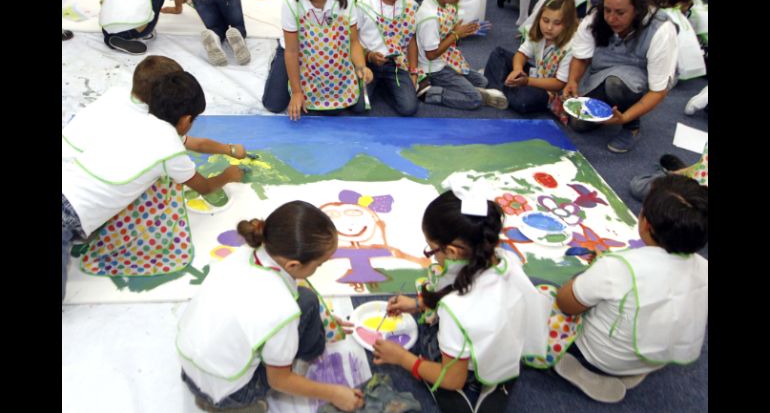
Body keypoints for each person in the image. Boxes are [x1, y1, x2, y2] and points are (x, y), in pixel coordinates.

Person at [61, 71, 244, 301]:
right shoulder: (170, 150)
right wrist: (228, 175)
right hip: (69, 215)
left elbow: (196, 143)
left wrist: (229, 149)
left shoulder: (140, 118)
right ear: (187, 119)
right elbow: (205, 187)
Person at [372, 186, 551, 413]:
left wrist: (402, 358)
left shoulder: (454, 309)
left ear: (453, 252)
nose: (431, 254)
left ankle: (474, 385)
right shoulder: (506, 259)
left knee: (428, 340)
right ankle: (498, 378)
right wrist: (418, 304)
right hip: (505, 344)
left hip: (466, 364)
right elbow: (457, 286)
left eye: (432, 249)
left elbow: (452, 380)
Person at [177, 201, 365, 412]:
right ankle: (231, 407)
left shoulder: (244, 253)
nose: (320, 268)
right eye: (319, 264)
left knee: (307, 300)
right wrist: (335, 393)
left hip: (190, 364)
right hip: (229, 391)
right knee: (306, 302)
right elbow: (280, 381)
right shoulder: (282, 309)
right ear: (293, 265)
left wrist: (323, 321)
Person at [555, 174, 707, 402]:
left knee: (544, 299)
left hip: (602, 358)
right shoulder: (704, 267)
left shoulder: (616, 268)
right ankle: (631, 368)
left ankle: (587, 372)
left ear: (645, 223)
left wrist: (585, 277)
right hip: (658, 357)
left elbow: (566, 304)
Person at [562, 0, 678, 153]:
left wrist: (625, 118)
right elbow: (581, 57)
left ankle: (632, 126)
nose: (611, 18)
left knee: (615, 84)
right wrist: (573, 81)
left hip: (637, 79)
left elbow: (658, 91)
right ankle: (611, 109)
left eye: (620, 13)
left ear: (638, 9)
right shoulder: (595, 18)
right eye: (607, 10)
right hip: (602, 72)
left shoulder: (661, 30)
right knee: (578, 124)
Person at [62, 55, 249, 162]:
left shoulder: (116, 92)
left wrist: (229, 149)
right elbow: (188, 145)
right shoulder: (153, 124)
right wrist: (229, 151)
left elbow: (192, 142)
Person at [281, 0, 373, 121]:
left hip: (336, 65)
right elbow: (291, 51)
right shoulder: (291, 3)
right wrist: (297, 91)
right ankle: (276, 65)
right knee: (274, 103)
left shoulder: (346, 0)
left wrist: (361, 66)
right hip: (302, 58)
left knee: (359, 107)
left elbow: (353, 42)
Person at [415, 0, 507, 110]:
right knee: (474, 99)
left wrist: (460, 31)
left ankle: (461, 88)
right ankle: (429, 93)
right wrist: (456, 35)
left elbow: (444, 33)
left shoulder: (443, 2)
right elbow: (431, 55)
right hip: (434, 69)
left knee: (482, 82)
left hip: (447, 60)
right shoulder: (430, 17)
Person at [484, 0, 578, 121]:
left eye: (557, 23)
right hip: (535, 76)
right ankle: (502, 89)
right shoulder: (538, 33)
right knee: (498, 54)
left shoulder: (571, 47)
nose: (549, 28)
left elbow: (559, 84)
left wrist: (527, 81)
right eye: (545, 21)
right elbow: (521, 54)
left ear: (567, 24)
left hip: (549, 91)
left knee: (524, 102)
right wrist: (517, 69)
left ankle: (496, 87)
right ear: (539, 18)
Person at [356, 0, 420, 116]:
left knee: (409, 108)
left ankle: (384, 87)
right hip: (366, 62)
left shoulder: (410, 5)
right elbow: (351, 40)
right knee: (358, 106)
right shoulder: (362, 3)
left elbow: (411, 39)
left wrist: (413, 71)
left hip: (395, 64)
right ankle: (377, 84)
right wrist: (368, 56)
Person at [646, 0, 706, 80]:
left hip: (676, 70)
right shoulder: (676, 14)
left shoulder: (663, 15)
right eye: (688, 5)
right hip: (693, 66)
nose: (688, 8)